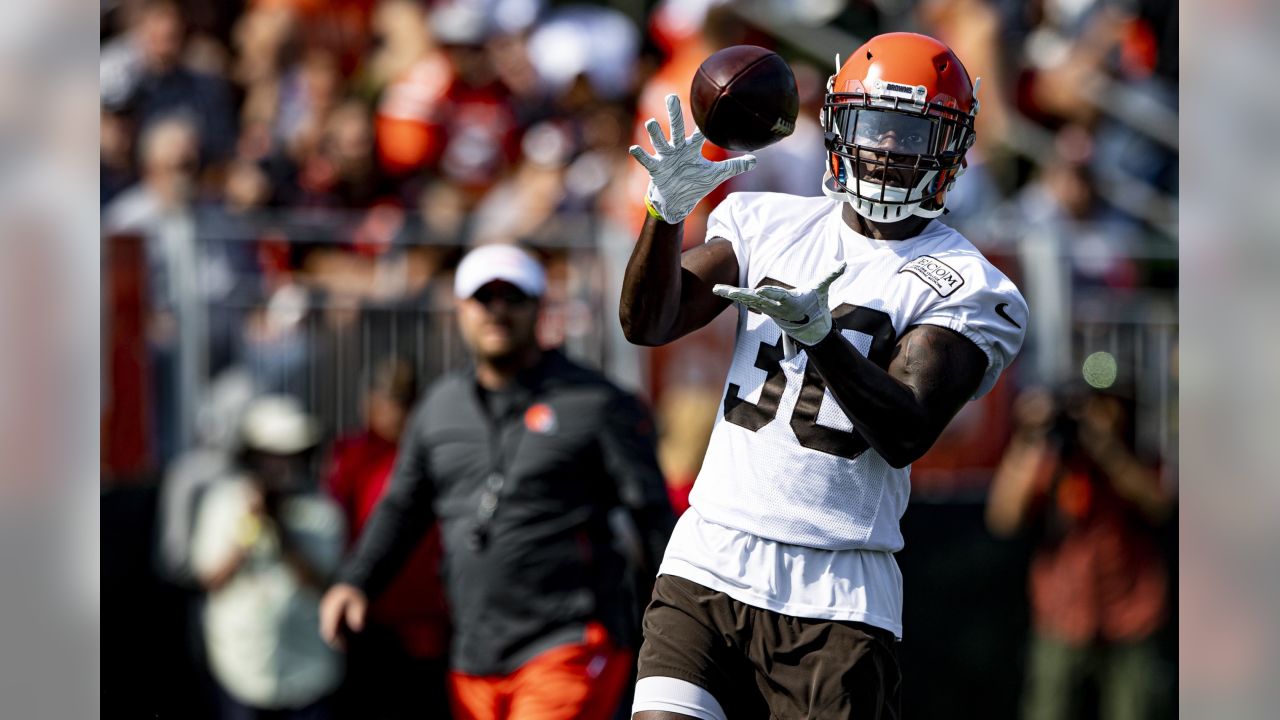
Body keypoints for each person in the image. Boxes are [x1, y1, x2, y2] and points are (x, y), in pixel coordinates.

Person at [619, 33, 1028, 719]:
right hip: (711, 552)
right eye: (874, 126)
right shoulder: (767, 219)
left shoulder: (970, 284)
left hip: (837, 587)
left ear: (951, 149)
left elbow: (905, 428)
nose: (889, 149)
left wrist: (822, 338)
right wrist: (665, 214)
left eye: (911, 133)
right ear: (838, 125)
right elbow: (649, 322)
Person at [319, 244, 676, 720]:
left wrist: (675, 625)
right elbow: (402, 506)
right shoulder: (438, 407)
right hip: (474, 651)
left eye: (514, 297)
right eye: (483, 298)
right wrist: (355, 582)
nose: (498, 311)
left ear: (539, 307)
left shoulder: (597, 402)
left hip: (568, 638)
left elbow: (651, 514)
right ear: (461, 308)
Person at [986, 387, 1171, 720]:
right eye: (1087, 406)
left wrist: (1106, 448)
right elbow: (1003, 518)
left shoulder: (1139, 455)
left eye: (1104, 406)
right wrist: (1029, 437)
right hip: (1061, 617)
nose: (1094, 416)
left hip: (1131, 615)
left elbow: (1158, 506)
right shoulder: (1056, 462)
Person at [190, 394, 347, 719]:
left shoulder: (322, 511)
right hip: (240, 667)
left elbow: (322, 584)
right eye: (273, 457)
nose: (282, 468)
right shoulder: (224, 503)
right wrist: (250, 527)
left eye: (291, 456)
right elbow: (211, 578)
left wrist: (282, 533)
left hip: (308, 673)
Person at [326, 358, 451, 719]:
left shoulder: (435, 456)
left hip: (428, 621)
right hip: (370, 617)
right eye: (389, 401)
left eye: (405, 402)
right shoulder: (352, 455)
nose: (396, 412)